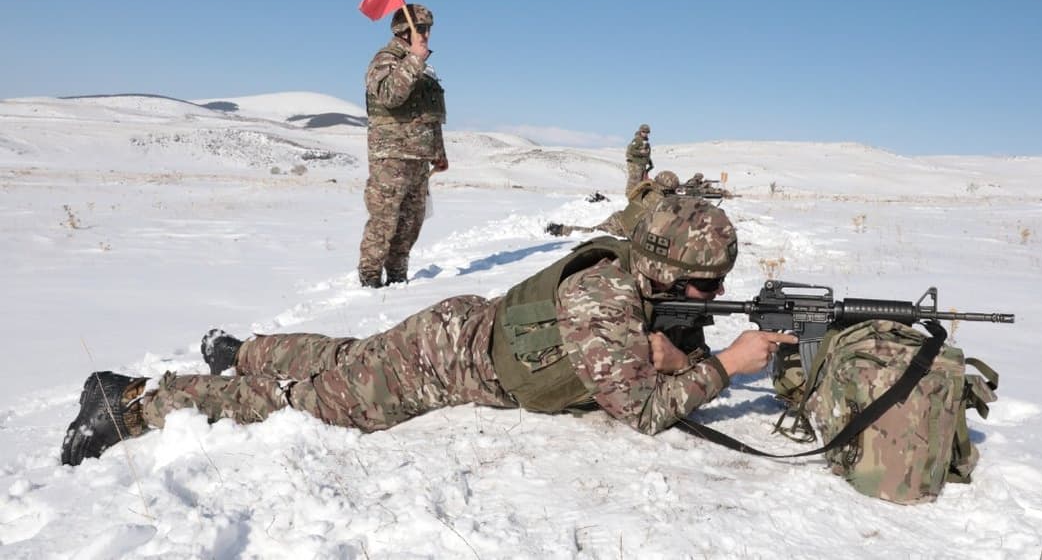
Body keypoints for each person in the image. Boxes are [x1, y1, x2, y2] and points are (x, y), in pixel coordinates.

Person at [61, 196, 798, 466]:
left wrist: (676, 349)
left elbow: (641, 352)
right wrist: (727, 365)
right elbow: (640, 412)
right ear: (664, 268)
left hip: (455, 328)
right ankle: (133, 402)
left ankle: (239, 348)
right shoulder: (603, 300)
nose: (715, 296)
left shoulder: (634, 282)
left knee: (346, 356)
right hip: (440, 365)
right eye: (705, 286)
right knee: (306, 400)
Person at [358, 3, 447, 288]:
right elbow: (389, 95)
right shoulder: (385, 60)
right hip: (391, 157)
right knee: (384, 222)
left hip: (418, 157)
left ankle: (398, 279)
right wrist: (413, 61)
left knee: (410, 223)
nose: (426, 34)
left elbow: (430, 115)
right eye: (420, 28)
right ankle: (369, 280)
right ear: (403, 31)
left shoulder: (423, 67)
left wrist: (438, 153)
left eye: (428, 28)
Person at [546, 170, 680, 238]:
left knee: (593, 231)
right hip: (621, 227)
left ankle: (561, 229)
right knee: (591, 234)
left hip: (620, 217)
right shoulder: (660, 201)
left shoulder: (648, 189)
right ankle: (561, 230)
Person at [625, 124, 653, 195]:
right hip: (635, 164)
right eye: (644, 132)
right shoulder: (637, 140)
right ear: (640, 131)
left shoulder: (645, 141)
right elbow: (632, 150)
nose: (645, 133)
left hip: (641, 164)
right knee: (634, 180)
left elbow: (646, 154)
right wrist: (640, 152)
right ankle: (629, 195)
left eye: (647, 132)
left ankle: (635, 195)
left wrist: (649, 162)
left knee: (640, 181)